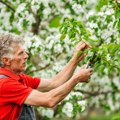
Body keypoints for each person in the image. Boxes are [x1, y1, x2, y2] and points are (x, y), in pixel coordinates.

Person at [0, 33, 92, 120]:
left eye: (24, 52)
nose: (26, 56)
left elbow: (54, 83)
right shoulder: (5, 84)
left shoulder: (19, 77)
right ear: (6, 60)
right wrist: (76, 78)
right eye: (20, 53)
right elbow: (49, 100)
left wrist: (75, 59)